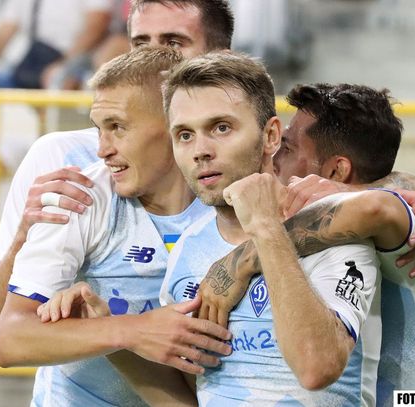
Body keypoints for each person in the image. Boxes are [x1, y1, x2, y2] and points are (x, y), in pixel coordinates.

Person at [193, 83, 415, 405]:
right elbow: (413, 187)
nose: (273, 158)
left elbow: (377, 207)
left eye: (288, 148)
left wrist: (240, 261)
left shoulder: (394, 215)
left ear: (337, 170)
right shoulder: (377, 209)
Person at [0, 47, 234, 407]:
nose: (102, 149)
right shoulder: (80, 198)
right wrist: (132, 330)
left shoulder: (231, 203)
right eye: (99, 128)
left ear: (173, 126)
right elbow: (10, 338)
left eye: (117, 127)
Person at [158, 51, 380, 405]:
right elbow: (194, 386)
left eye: (221, 128)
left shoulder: (334, 233)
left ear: (271, 136)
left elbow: (317, 367)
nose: (200, 150)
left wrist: (264, 228)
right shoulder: (187, 247)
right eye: (184, 135)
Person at [0, 0, 112, 91]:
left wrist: (64, 65)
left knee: (58, 79)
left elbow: (97, 25)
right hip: (35, 62)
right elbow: (4, 32)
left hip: (78, 61)